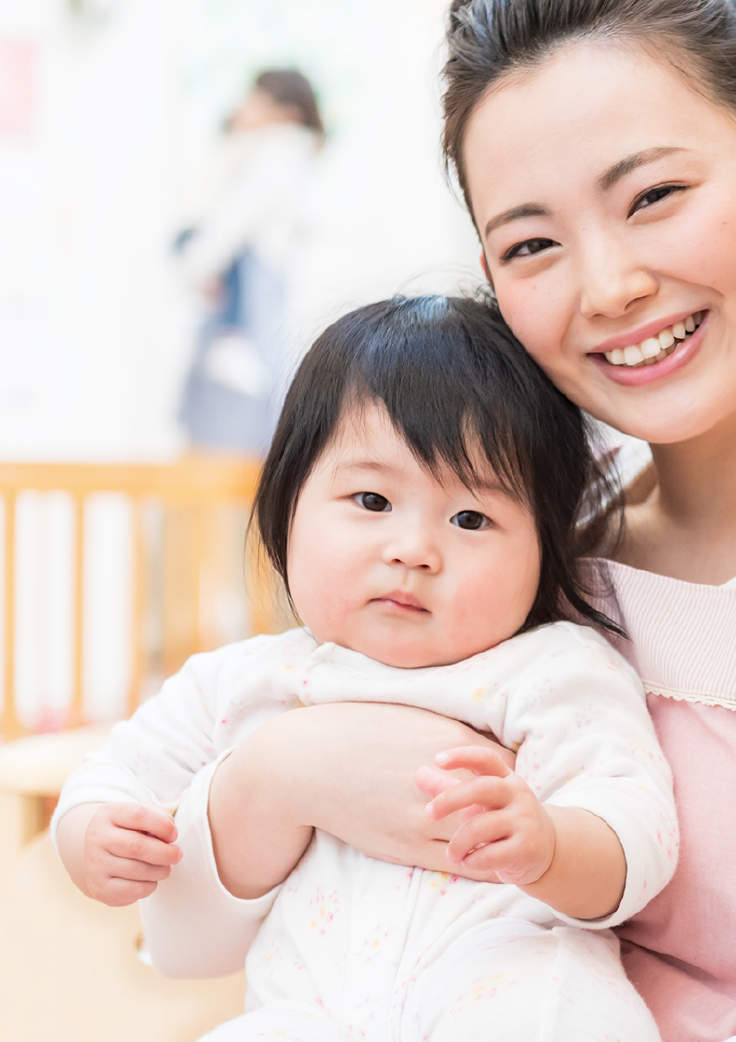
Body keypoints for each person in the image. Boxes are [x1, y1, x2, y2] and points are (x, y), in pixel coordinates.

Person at [134, 0, 736, 1042]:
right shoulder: (535, 534)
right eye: (533, 245)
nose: (611, 285)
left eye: (655, 195)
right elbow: (183, 943)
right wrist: (275, 773)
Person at [52, 296, 677, 1040]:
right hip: (313, 1008)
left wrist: (551, 845)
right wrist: (90, 835)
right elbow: (115, 773)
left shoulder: (553, 670)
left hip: (504, 980)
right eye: (372, 499)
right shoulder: (245, 679)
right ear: (288, 504)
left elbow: (639, 830)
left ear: (546, 545)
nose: (413, 549)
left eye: (470, 518)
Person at [175, 69, 324, 453]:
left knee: (224, 445)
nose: (242, 107)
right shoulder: (293, 162)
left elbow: (218, 236)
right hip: (259, 327)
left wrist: (192, 267)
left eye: (255, 100)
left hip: (241, 332)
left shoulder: (273, 161)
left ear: (286, 113)